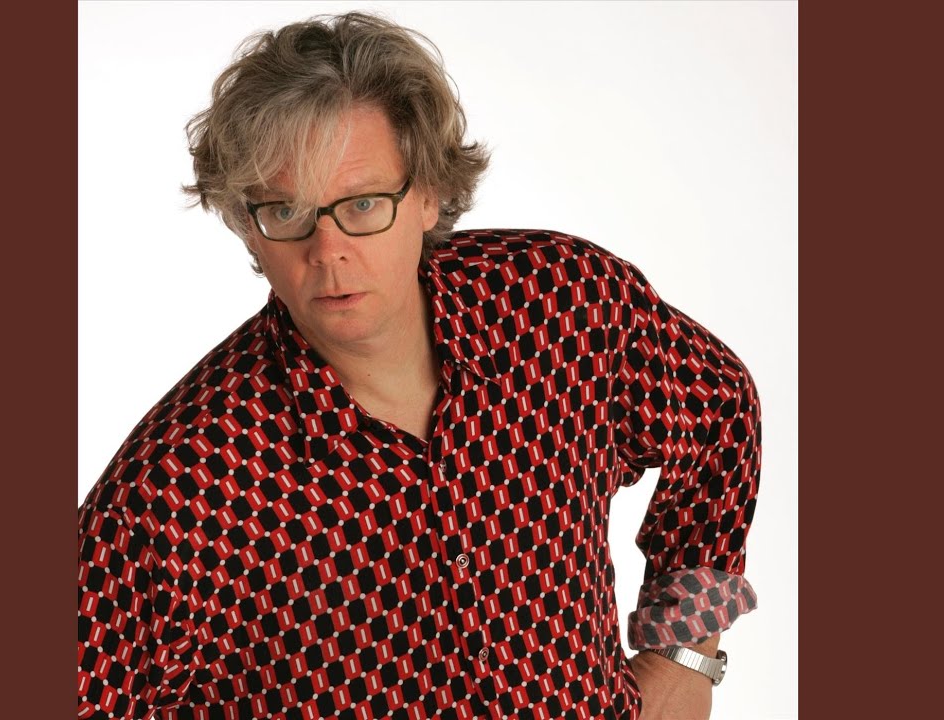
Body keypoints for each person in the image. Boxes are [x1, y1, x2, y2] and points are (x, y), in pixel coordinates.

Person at [78, 12, 760, 720]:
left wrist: (685, 656)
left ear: (429, 192)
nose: (328, 251)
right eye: (286, 212)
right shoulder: (178, 485)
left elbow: (718, 406)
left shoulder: (558, 303)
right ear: (246, 225)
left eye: (363, 204)